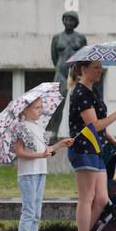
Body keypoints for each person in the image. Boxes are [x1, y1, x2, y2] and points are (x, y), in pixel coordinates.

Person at [67, 61, 116, 231]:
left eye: (100, 67)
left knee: (102, 199)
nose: (100, 71)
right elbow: (93, 125)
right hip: (83, 149)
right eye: (96, 67)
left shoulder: (92, 92)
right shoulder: (81, 93)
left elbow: (100, 123)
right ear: (83, 69)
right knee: (87, 197)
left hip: (97, 150)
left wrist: (113, 140)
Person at [14, 97, 74, 231]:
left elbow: (46, 150)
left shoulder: (39, 128)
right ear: (25, 110)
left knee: (36, 214)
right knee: (28, 213)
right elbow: (19, 152)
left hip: (41, 173)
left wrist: (60, 144)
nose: (40, 110)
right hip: (28, 175)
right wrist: (39, 155)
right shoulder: (21, 128)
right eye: (36, 108)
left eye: (41, 107)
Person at [48, 11, 87, 139]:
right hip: (61, 74)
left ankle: (79, 131)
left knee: (78, 104)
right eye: (67, 20)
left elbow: (85, 56)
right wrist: (61, 68)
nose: (69, 22)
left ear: (76, 23)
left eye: (72, 20)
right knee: (57, 104)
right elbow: (54, 57)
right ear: (63, 21)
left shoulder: (81, 38)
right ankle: (53, 131)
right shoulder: (57, 38)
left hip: (75, 74)